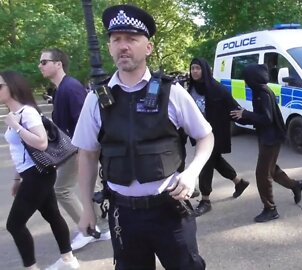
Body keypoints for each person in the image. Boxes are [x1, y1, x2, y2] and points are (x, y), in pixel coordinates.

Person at [73, 4, 213, 269]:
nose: (123, 46)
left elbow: (206, 136)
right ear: (110, 47)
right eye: (116, 39)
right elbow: (87, 154)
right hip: (123, 215)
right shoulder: (96, 99)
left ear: (147, 47)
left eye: (131, 39)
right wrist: (87, 208)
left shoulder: (171, 92)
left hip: (170, 210)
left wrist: (192, 172)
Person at [1, 71, 79, 270]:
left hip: (38, 175)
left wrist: (16, 127)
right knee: (52, 214)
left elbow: (41, 143)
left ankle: (32, 267)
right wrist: (17, 179)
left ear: (13, 87)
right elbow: (21, 151)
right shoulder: (16, 115)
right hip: (30, 173)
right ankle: (68, 260)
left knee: (14, 224)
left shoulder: (27, 113)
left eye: (0, 86)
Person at [38, 48, 111, 250]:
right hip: (73, 148)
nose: (40, 66)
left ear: (58, 64)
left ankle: (90, 229)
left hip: (77, 148)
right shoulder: (62, 88)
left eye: (44, 62)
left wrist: (83, 152)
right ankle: (98, 227)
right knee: (89, 186)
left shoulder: (70, 87)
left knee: (64, 188)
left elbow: (84, 122)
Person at [230, 64, 302, 223]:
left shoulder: (262, 93)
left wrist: (246, 113)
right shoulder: (261, 90)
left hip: (270, 138)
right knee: (270, 169)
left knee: (262, 174)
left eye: (246, 78)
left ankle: (270, 209)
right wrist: (244, 115)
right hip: (268, 136)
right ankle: (295, 185)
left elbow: (266, 118)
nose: (245, 81)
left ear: (253, 78)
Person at [188, 58, 249, 216]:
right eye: (192, 68)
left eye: (198, 68)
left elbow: (233, 107)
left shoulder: (216, 88)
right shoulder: (191, 88)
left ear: (205, 70)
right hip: (198, 132)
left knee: (206, 163)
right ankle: (239, 183)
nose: (194, 71)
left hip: (214, 134)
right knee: (216, 161)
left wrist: (249, 118)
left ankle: (205, 200)